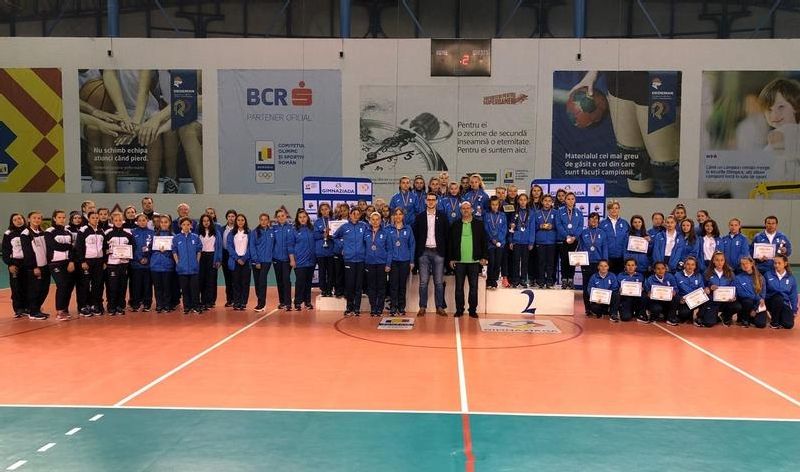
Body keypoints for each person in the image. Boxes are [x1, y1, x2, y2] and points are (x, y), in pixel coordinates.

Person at [447, 201, 488, 318]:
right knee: (459, 288)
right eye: (463, 208)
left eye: (468, 208)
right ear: (460, 211)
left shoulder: (479, 224)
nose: (466, 210)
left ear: (472, 210)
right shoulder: (455, 225)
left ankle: (472, 310)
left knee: (474, 288)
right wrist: (451, 259)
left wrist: (484, 257)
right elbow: (450, 243)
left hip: (474, 261)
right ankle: (459, 310)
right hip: (459, 261)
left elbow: (484, 242)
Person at [414, 192, 449, 317]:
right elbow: (416, 236)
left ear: (437, 201)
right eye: (428, 199)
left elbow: (446, 236)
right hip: (423, 252)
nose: (430, 202)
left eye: (433, 200)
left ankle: (439, 307)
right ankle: (422, 307)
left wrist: (445, 254)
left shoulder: (443, 216)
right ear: (425, 201)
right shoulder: (420, 217)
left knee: (438, 282)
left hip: (438, 252)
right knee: (423, 282)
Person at [334, 208, 368, 316]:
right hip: (349, 259)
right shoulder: (344, 227)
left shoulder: (364, 226)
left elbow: (369, 237)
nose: (356, 216)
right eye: (354, 213)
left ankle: (357, 308)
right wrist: (343, 246)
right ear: (350, 214)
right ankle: (349, 307)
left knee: (358, 285)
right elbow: (335, 237)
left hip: (361, 259)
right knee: (349, 284)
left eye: (358, 214)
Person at [45, 210, 75, 321]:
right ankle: (59, 311)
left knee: (68, 286)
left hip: (67, 263)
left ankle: (65, 309)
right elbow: (54, 245)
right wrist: (68, 246)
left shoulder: (68, 232)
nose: (62, 219)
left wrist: (71, 261)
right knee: (62, 285)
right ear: (54, 218)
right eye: (59, 217)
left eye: (63, 217)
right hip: (55, 263)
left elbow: (72, 249)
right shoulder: (49, 231)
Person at [103, 212, 135, 316]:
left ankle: (120, 306)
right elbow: (104, 248)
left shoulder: (128, 234)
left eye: (120, 220)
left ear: (123, 221)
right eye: (116, 220)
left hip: (124, 264)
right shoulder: (108, 233)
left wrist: (128, 255)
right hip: (112, 264)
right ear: (112, 221)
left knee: (122, 286)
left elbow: (133, 247)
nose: (118, 222)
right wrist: (110, 254)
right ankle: (111, 306)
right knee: (112, 286)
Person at [19, 211, 49, 320]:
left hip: (45, 266)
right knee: (35, 289)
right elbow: (28, 252)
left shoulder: (42, 232)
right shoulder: (25, 234)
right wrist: (34, 267)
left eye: (39, 218)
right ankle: (33, 312)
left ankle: (37, 309)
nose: (37, 220)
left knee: (44, 289)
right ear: (28, 219)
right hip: (35, 267)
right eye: (34, 218)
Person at [386, 208, 415, 316]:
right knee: (393, 285)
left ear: (403, 216)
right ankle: (393, 307)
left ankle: (401, 307)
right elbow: (387, 247)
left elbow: (412, 245)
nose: (398, 216)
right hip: (393, 261)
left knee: (402, 285)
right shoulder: (388, 229)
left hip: (405, 260)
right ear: (393, 216)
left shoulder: (408, 228)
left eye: (400, 214)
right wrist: (388, 263)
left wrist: (411, 261)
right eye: (396, 214)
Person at [699, 251, 739, 327]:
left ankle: (724, 316)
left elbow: (734, 287)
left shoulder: (730, 273)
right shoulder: (707, 272)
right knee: (709, 323)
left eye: (722, 260)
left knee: (737, 306)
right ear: (713, 261)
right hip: (712, 301)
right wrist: (708, 288)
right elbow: (703, 287)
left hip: (726, 301)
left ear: (724, 261)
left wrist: (734, 296)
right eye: (717, 260)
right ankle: (707, 316)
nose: (719, 262)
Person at [363, 211, 391, 316]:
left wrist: (388, 264)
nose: (375, 221)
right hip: (369, 263)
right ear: (370, 221)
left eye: (377, 219)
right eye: (373, 219)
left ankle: (379, 308)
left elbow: (390, 249)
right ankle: (373, 307)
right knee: (371, 287)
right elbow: (363, 247)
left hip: (382, 263)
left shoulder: (385, 233)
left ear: (380, 220)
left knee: (381, 287)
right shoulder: (366, 232)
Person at [173, 217, 203, 315]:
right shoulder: (176, 238)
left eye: (188, 224)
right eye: (184, 224)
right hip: (182, 268)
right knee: (185, 289)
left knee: (195, 289)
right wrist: (178, 263)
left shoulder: (195, 237)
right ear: (180, 226)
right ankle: (187, 307)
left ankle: (196, 306)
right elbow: (174, 252)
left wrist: (197, 262)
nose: (186, 226)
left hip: (194, 268)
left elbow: (199, 251)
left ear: (191, 226)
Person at [2, 213, 28, 318]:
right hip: (15, 263)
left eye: (20, 218)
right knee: (16, 287)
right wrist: (10, 264)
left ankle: (28, 307)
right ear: (12, 222)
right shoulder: (8, 233)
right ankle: (18, 309)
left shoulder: (28, 231)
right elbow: (5, 250)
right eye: (15, 219)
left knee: (28, 286)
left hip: (28, 263)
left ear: (23, 219)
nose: (18, 221)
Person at [556, 191, 583, 289]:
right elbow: (558, 225)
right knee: (564, 260)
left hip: (574, 240)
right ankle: (564, 279)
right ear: (565, 200)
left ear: (575, 200)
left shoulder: (579, 212)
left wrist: (574, 237)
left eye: (572, 199)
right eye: (568, 199)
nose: (570, 201)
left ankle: (571, 279)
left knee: (572, 260)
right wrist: (567, 236)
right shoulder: (560, 211)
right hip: (563, 239)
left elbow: (580, 226)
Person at [577, 212, 608, 298]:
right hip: (586, 263)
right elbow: (580, 247)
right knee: (586, 285)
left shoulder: (602, 233)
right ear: (588, 220)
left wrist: (605, 262)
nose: (594, 220)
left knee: (598, 285)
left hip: (598, 263)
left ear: (598, 221)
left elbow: (605, 248)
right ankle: (587, 305)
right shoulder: (583, 232)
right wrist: (578, 260)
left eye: (596, 219)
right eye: (591, 218)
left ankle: (596, 304)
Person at [508, 193, 535, 288]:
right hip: (516, 240)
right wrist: (511, 240)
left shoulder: (531, 213)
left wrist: (531, 242)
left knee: (525, 261)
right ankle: (515, 279)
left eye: (524, 200)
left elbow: (532, 228)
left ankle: (523, 279)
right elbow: (511, 228)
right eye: (521, 200)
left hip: (526, 241)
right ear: (518, 201)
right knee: (515, 261)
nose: (523, 202)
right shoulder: (514, 212)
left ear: (527, 201)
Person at [291, 210, 316, 311]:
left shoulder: (312, 229)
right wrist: (292, 260)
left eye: (304, 217)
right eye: (300, 217)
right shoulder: (294, 230)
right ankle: (297, 302)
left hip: (311, 261)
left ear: (307, 218)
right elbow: (290, 246)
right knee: (300, 282)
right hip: (299, 261)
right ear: (297, 219)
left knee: (308, 283)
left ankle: (307, 302)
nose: (302, 219)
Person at [764, 254, 798, 329]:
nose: (776, 265)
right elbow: (763, 291)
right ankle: (774, 322)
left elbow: (793, 295)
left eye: (779, 263)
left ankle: (779, 317)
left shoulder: (791, 278)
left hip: (784, 303)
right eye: (775, 263)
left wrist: (794, 310)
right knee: (778, 298)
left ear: (785, 264)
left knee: (788, 325)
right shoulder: (768, 275)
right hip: (770, 302)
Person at [150, 215, 176, 313]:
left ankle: (167, 305)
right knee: (158, 287)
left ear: (169, 223)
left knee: (167, 287)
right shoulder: (154, 236)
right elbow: (150, 250)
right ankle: (159, 304)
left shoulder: (173, 236)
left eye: (166, 222)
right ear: (159, 224)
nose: (164, 224)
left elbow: (175, 251)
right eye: (162, 222)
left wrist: (167, 252)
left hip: (167, 266)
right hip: (155, 266)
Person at [197, 214, 223, 311]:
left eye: (208, 220)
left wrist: (218, 259)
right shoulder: (198, 232)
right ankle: (203, 301)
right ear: (201, 222)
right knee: (202, 279)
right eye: (204, 221)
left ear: (211, 222)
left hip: (212, 256)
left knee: (211, 279)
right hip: (201, 257)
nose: (206, 222)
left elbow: (219, 247)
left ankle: (210, 301)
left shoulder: (216, 232)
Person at [249, 213, 274, 312]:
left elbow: (274, 245)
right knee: (257, 282)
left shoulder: (272, 232)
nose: (263, 221)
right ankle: (260, 300)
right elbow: (252, 247)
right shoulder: (255, 232)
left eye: (265, 220)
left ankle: (261, 304)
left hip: (267, 261)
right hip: (256, 261)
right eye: (262, 220)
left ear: (268, 221)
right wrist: (256, 261)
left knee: (262, 281)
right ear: (259, 221)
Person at [227, 214, 252, 311]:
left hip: (246, 261)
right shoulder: (231, 233)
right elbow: (229, 247)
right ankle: (236, 302)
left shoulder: (249, 233)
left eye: (242, 220)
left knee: (245, 282)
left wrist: (244, 258)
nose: (240, 222)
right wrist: (237, 258)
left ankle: (243, 302)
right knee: (236, 282)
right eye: (238, 220)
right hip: (235, 261)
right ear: (236, 222)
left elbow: (251, 247)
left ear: (245, 221)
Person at [130, 213, 154, 312]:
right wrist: (139, 258)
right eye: (139, 220)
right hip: (136, 264)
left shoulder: (152, 233)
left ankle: (147, 303)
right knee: (136, 285)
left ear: (147, 221)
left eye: (144, 220)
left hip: (148, 264)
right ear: (137, 222)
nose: (142, 222)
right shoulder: (133, 232)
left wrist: (147, 258)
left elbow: (153, 248)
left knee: (147, 285)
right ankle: (136, 303)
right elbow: (132, 248)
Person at [272, 208, 295, 311]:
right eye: (279, 216)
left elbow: (291, 244)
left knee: (286, 280)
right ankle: (282, 302)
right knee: (279, 280)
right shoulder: (273, 229)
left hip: (287, 259)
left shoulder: (291, 228)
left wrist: (292, 258)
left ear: (286, 216)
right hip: (276, 259)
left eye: (282, 215)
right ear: (276, 218)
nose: (281, 218)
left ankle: (288, 303)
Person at [735, 256, 767, 328]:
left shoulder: (760, 277)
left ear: (752, 263)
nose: (745, 265)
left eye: (747, 263)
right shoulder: (738, 278)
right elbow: (741, 294)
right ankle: (745, 319)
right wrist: (758, 298)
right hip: (746, 304)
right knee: (747, 301)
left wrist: (755, 309)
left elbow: (763, 294)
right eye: (742, 264)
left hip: (757, 305)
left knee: (761, 324)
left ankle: (753, 317)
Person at [484, 196, 507, 290]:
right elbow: (486, 228)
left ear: (499, 205)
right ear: (490, 205)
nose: (494, 206)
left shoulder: (502, 215)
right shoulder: (486, 215)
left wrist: (499, 239)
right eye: (493, 204)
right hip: (490, 244)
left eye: (496, 204)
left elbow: (504, 229)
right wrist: (492, 239)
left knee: (498, 262)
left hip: (500, 243)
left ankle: (494, 281)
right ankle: (489, 281)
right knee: (491, 262)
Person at [675, 257, 706, 326]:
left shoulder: (698, 276)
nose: (690, 266)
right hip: (684, 301)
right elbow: (675, 290)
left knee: (707, 298)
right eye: (688, 264)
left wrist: (705, 290)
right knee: (684, 314)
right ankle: (688, 315)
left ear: (695, 266)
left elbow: (702, 288)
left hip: (696, 300)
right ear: (684, 265)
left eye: (692, 264)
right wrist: (680, 298)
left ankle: (699, 317)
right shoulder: (677, 275)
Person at [600, 200, 629, 274]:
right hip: (608, 257)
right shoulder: (602, 224)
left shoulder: (625, 223)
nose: (614, 210)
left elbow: (632, 237)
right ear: (608, 210)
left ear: (619, 209)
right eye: (612, 208)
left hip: (622, 257)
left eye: (616, 208)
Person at [534, 194, 557, 288]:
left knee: (550, 263)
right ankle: (541, 281)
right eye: (545, 200)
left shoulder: (556, 213)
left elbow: (559, 225)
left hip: (551, 241)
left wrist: (552, 226)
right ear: (542, 202)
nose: (547, 202)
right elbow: (533, 226)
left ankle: (549, 281)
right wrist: (539, 226)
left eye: (549, 201)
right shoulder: (537, 213)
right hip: (540, 241)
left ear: (552, 202)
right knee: (541, 262)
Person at [313, 203, 335, 297]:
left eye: (326, 209)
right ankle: (323, 290)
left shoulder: (333, 221)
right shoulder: (317, 222)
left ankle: (329, 289)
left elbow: (337, 234)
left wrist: (330, 235)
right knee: (321, 272)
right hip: (321, 252)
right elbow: (314, 235)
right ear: (320, 211)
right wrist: (323, 235)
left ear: (329, 210)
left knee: (331, 272)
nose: (324, 211)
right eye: (322, 209)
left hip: (331, 251)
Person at [617, 258, 644, 322]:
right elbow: (616, 287)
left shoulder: (640, 276)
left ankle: (641, 313)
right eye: (628, 265)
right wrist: (619, 289)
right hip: (625, 299)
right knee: (625, 318)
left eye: (632, 265)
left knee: (644, 295)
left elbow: (643, 287)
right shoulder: (620, 275)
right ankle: (622, 310)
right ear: (625, 266)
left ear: (636, 266)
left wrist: (642, 289)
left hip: (636, 299)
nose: (630, 267)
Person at [220, 210, 237, 307]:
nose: (231, 218)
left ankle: (236, 299)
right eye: (229, 216)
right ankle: (229, 299)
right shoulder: (222, 229)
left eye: (233, 216)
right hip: (225, 254)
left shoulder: (239, 229)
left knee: (235, 278)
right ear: (227, 218)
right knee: (228, 278)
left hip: (235, 255)